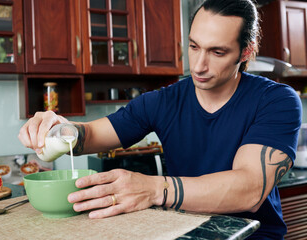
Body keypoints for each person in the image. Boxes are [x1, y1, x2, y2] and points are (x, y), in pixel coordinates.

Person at [18, 0, 302, 238]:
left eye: (217, 52)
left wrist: (154, 189)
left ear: (246, 51)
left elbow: (249, 189)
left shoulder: (275, 100)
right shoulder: (164, 101)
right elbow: (89, 135)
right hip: (184, 232)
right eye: (193, 47)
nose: (199, 65)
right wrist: (57, 130)